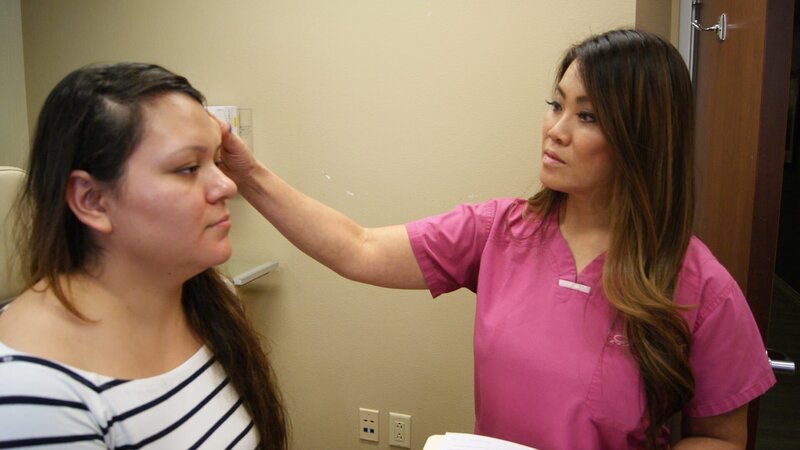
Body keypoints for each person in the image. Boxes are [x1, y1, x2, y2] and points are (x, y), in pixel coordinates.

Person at [216, 29, 776, 449]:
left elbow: (723, 437)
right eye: (557, 104)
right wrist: (248, 175)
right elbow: (357, 247)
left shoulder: (700, 288)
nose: (555, 130)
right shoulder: (500, 232)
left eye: (587, 116)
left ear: (642, 139)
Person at [0, 63, 287, 449]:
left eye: (216, 162)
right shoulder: (29, 391)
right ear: (92, 200)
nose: (227, 185)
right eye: (188, 168)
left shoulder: (214, 304)